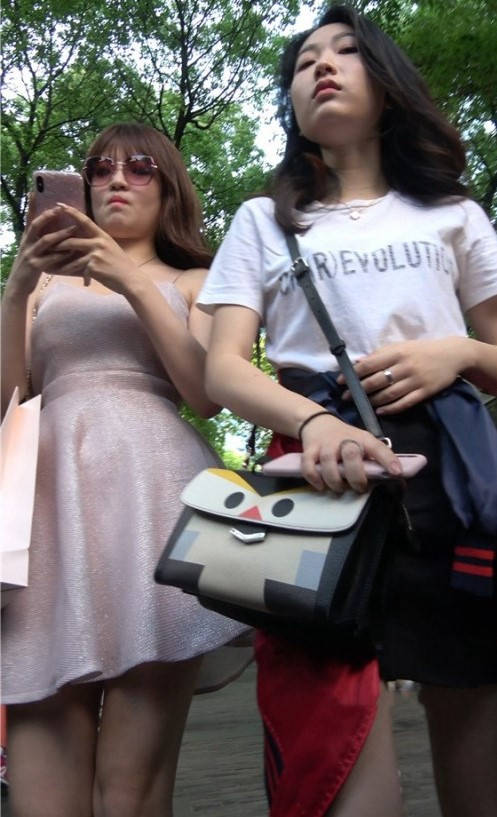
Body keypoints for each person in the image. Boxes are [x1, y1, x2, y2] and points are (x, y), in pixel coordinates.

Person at [198, 5, 497, 817]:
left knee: (473, 697)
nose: (320, 66)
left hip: (453, 477)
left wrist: (458, 353)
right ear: (292, 104)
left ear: (389, 86)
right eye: (303, 62)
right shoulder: (262, 219)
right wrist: (315, 421)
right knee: (328, 726)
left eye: (343, 51)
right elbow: (222, 366)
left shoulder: (454, 214)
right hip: (315, 478)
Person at [1, 122, 251, 817]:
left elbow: (204, 391)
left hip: (154, 508)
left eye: (140, 167)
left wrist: (131, 280)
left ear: (168, 190)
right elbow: (6, 404)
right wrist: (18, 286)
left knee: (129, 793)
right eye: (100, 168)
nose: (117, 178)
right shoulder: (44, 286)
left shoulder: (195, 280)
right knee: (41, 798)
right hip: (46, 514)